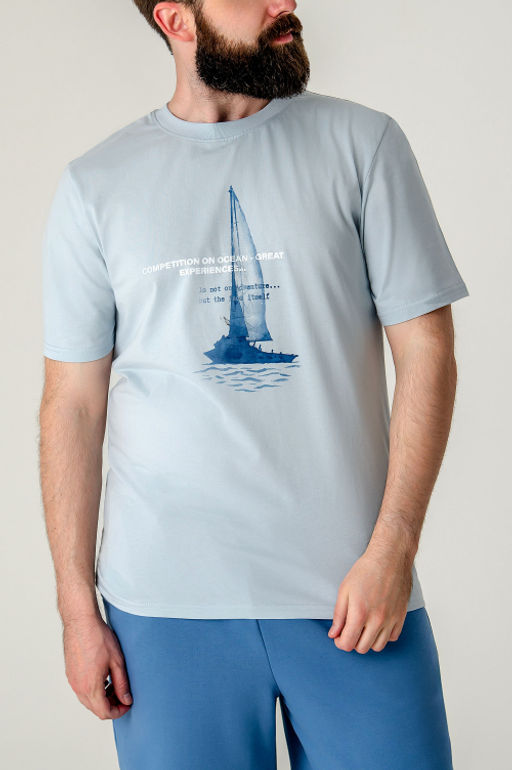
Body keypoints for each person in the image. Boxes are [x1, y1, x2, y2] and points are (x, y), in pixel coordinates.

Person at [39, 1, 470, 768]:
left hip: (356, 594)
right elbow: (72, 404)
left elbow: (427, 349)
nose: (287, 4)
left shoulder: (363, 143)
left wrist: (394, 548)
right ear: (177, 19)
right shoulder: (96, 185)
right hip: (163, 611)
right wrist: (77, 611)